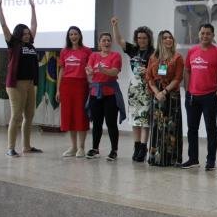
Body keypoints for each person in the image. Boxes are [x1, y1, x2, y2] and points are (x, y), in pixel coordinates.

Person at [0, 0, 42, 157]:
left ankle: (27, 147)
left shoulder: (31, 44)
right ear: (18, 34)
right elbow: (3, 24)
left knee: (29, 115)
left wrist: (33, 7)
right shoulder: (13, 43)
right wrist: (0, 6)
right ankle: (10, 148)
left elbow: (35, 24)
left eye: (28, 33)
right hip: (15, 84)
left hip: (30, 83)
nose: (28, 35)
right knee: (16, 116)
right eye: (24, 34)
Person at [111, 17, 154, 163]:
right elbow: (119, 40)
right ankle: (136, 147)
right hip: (134, 88)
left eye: (144, 38)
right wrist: (115, 26)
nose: (141, 40)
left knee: (145, 120)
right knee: (135, 120)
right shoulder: (133, 49)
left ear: (149, 39)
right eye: (139, 37)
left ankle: (143, 147)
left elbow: (162, 71)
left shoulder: (154, 53)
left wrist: (148, 70)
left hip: (148, 87)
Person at [182, 24, 217, 171]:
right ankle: (193, 159)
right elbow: (187, 70)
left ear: (213, 35)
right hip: (192, 97)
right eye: (202, 33)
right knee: (192, 129)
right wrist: (187, 90)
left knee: (211, 129)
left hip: (210, 96)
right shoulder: (192, 51)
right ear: (198, 34)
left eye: (208, 34)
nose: (205, 36)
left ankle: (210, 161)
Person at [85, 32, 125, 161]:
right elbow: (89, 70)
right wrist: (89, 72)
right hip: (95, 93)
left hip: (110, 93)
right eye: (103, 40)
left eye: (108, 40)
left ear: (111, 42)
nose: (106, 43)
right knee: (96, 123)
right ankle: (95, 149)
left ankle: (114, 150)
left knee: (111, 123)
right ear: (99, 43)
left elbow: (114, 71)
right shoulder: (93, 55)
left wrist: (103, 71)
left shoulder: (116, 55)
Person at [146, 30, 184, 166]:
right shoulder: (153, 58)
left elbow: (178, 78)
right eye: (165, 38)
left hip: (171, 96)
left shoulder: (177, 57)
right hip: (157, 95)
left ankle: (171, 159)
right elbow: (149, 77)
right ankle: (155, 158)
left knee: (171, 126)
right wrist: (157, 92)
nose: (168, 40)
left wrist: (165, 92)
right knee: (157, 126)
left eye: (170, 38)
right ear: (160, 41)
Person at [56, 26, 92, 158]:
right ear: (68, 36)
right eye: (71, 34)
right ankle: (73, 146)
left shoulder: (87, 51)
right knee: (69, 116)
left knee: (81, 116)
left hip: (81, 86)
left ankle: (81, 147)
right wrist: (58, 89)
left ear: (80, 35)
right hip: (66, 86)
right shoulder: (64, 51)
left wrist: (91, 85)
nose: (73, 36)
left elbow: (89, 70)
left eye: (75, 34)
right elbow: (61, 70)